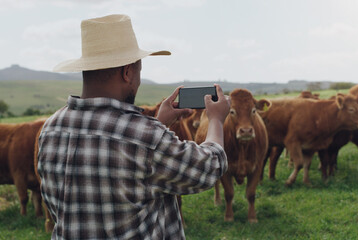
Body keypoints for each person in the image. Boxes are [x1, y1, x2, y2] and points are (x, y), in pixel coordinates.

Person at [37, 14, 230, 239]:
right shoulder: (144, 137)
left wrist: (158, 123)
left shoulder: (50, 129)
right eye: (139, 70)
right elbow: (209, 167)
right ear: (127, 72)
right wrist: (216, 119)